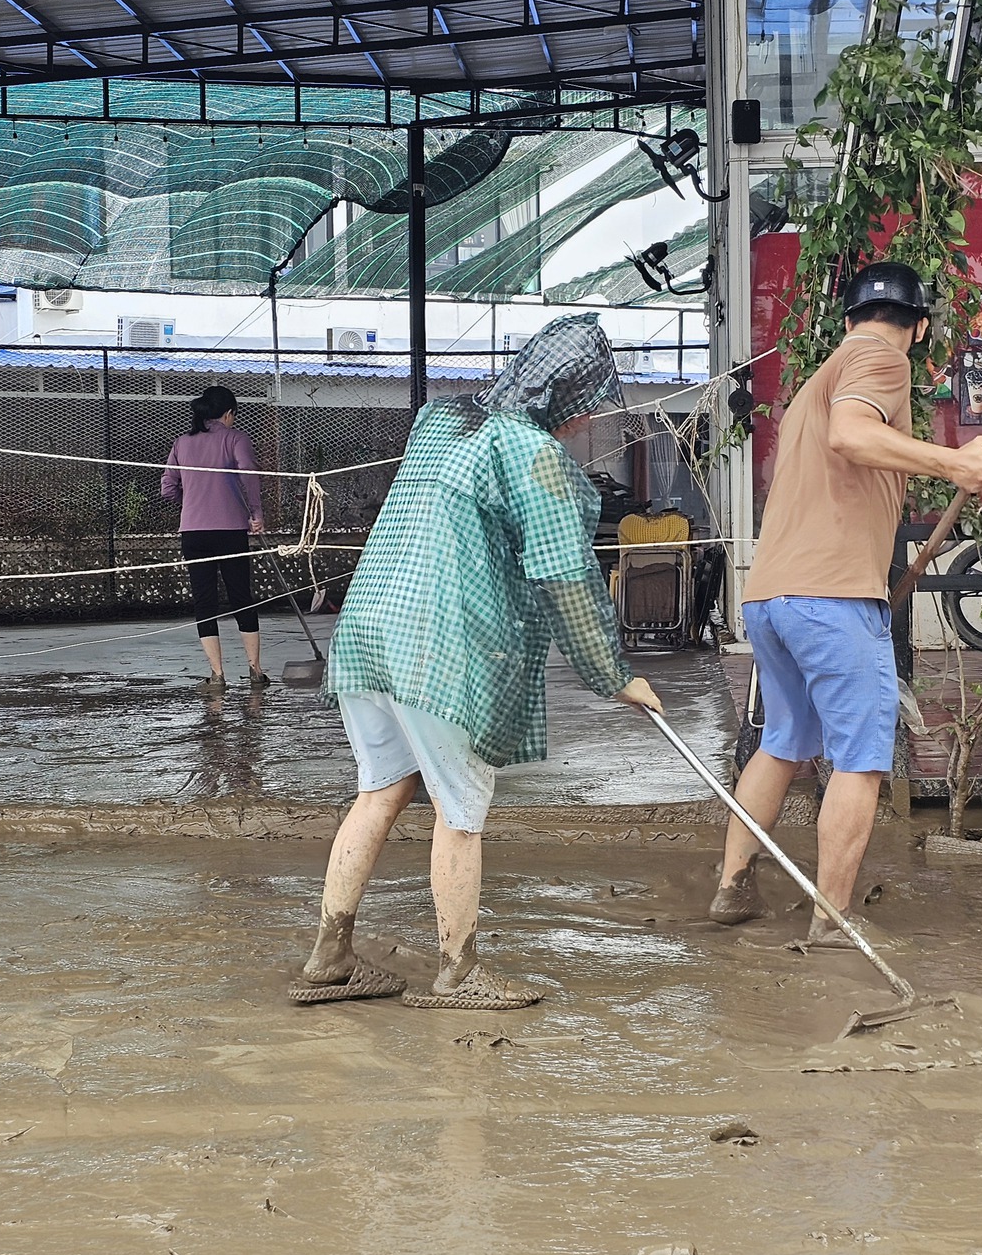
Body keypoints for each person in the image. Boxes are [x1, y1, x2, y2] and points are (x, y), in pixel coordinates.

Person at [290, 313, 662, 1010]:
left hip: (370, 628)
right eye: (587, 407)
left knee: (381, 790)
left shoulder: (440, 425)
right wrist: (615, 676)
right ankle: (459, 972)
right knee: (460, 811)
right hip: (439, 647)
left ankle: (331, 955)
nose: (587, 422)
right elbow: (565, 577)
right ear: (568, 400)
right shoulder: (532, 453)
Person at [712, 262, 982, 943]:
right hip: (832, 600)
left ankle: (732, 885)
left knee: (784, 742)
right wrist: (953, 463)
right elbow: (853, 434)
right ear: (923, 327)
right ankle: (831, 919)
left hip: (773, 596)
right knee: (862, 760)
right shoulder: (881, 358)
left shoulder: (821, 375)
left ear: (846, 318)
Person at [162, 386, 266, 690]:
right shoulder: (236, 438)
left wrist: (193, 497)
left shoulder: (181, 443)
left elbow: (168, 488)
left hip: (194, 532)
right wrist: (256, 514)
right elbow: (250, 475)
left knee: (204, 601)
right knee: (241, 597)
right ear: (229, 413)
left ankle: (217, 675)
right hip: (231, 530)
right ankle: (255, 670)